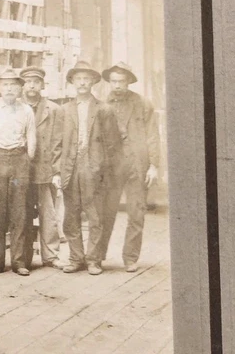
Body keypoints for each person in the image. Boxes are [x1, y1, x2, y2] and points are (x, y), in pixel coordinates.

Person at [96, 61, 161, 272]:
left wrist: (153, 165)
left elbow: (153, 136)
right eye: (113, 81)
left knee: (136, 212)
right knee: (106, 212)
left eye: (121, 81)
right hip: (111, 167)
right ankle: (97, 256)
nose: (117, 85)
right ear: (108, 82)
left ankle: (130, 258)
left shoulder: (143, 104)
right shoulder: (101, 105)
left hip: (137, 165)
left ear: (128, 82)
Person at [59, 60, 122, 275]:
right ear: (72, 82)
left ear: (93, 82)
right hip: (70, 167)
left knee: (95, 216)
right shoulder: (65, 110)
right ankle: (76, 258)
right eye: (78, 79)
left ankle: (94, 260)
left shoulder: (104, 109)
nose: (82, 83)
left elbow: (113, 145)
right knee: (71, 216)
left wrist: (104, 171)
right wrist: (57, 171)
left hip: (94, 168)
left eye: (86, 79)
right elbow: (57, 144)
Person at [0, 68, 36, 276]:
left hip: (19, 160)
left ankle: (19, 262)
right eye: (5, 84)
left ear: (20, 88)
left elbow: (31, 138)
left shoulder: (26, 110)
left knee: (19, 213)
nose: (9, 88)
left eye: (13, 84)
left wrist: (24, 159)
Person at [20, 66, 65, 269]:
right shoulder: (16, 108)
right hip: (21, 170)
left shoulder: (54, 110)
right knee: (22, 213)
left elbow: (58, 142)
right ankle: (24, 256)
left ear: (42, 85)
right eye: (28, 81)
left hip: (45, 169)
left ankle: (51, 255)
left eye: (36, 82)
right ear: (23, 85)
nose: (32, 86)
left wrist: (57, 171)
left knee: (49, 214)